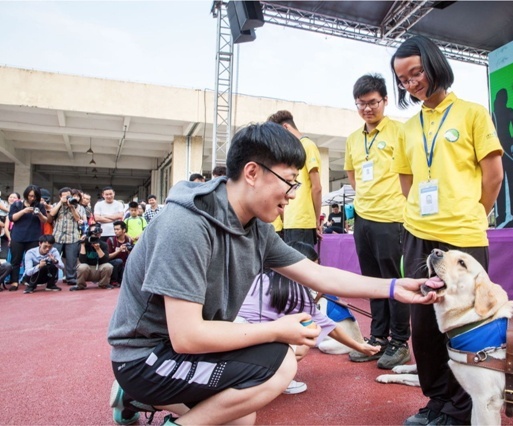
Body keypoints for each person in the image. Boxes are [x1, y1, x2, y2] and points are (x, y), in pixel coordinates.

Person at [107, 121, 439, 426]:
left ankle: (137, 399)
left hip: (185, 354)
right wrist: (277, 329)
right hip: (145, 358)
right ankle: (155, 402)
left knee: (241, 418)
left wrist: (395, 287)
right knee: (279, 364)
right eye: (289, 182)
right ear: (252, 172)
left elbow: (317, 275)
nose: (294, 194)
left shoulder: (255, 227)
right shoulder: (186, 226)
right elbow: (187, 336)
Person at [391, 35, 503, 426]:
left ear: (434, 64)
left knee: (463, 324)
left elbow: (493, 176)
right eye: (403, 79)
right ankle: (437, 401)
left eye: (416, 72)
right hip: (418, 235)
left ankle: (461, 408)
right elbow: (407, 180)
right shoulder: (407, 129)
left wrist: (474, 214)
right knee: (423, 327)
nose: (411, 83)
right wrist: (419, 217)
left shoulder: (472, 113)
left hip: (463, 238)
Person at [236, 241, 380, 394]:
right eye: (312, 268)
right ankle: (275, 378)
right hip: (249, 348)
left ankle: (253, 372)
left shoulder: (260, 278)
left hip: (231, 338)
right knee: (306, 334)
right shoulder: (297, 293)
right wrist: (360, 346)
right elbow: (329, 327)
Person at [344, 73, 411, 370]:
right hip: (363, 219)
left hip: (393, 218)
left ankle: (399, 341)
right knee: (373, 284)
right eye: (361, 104)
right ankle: (378, 337)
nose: (367, 109)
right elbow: (352, 174)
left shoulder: (400, 131)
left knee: (393, 283)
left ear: (385, 100)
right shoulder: (353, 139)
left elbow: (411, 172)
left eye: (373, 102)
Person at [267, 110, 322, 246]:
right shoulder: (291, 151)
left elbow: (317, 188)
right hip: (293, 221)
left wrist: (316, 219)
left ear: (286, 127)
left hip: (300, 220)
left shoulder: (307, 145)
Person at [7, 185, 47, 291]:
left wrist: (39, 214)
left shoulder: (40, 205)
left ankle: (30, 281)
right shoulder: (17, 204)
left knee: (33, 260)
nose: (32, 198)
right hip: (18, 236)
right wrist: (24, 211)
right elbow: (12, 218)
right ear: (26, 195)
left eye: (34, 196)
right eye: (30, 196)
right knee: (16, 260)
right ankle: (14, 281)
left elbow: (45, 220)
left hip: (33, 236)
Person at [493, 88, 513, 228]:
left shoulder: (510, 111)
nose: (501, 100)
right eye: (500, 98)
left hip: (510, 151)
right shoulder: (492, 114)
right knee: (500, 184)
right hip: (497, 152)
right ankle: (502, 215)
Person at [48, 187, 86, 286]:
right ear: (60, 197)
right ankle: (53, 278)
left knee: (71, 259)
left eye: (68, 195)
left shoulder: (78, 206)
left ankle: (71, 277)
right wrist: (61, 202)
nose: (66, 198)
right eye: (64, 196)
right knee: (54, 258)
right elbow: (51, 214)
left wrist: (72, 207)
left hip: (72, 236)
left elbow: (78, 219)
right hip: (57, 236)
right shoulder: (56, 205)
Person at [70, 223, 114, 291]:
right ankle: (80, 285)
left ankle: (103, 284)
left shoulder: (103, 244)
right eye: (92, 233)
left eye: (96, 233)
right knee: (82, 266)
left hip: (98, 269)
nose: (94, 236)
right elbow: (82, 261)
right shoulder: (84, 243)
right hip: (88, 270)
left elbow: (105, 260)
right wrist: (82, 245)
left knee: (108, 266)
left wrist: (98, 249)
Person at [107, 220, 133, 287]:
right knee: (119, 261)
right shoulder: (111, 240)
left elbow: (132, 256)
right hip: (113, 264)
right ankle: (113, 281)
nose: (115, 231)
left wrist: (129, 251)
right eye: (115, 229)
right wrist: (119, 251)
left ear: (124, 230)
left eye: (118, 229)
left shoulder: (129, 240)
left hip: (125, 265)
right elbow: (108, 257)